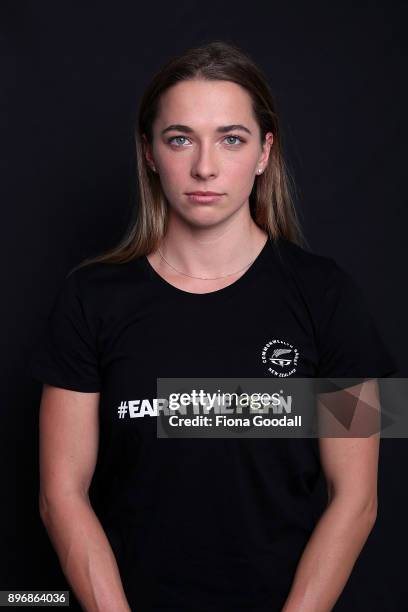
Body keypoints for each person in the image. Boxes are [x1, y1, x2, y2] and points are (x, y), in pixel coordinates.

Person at [27, 40, 397, 612]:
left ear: (264, 152)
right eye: (180, 138)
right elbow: (60, 496)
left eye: (231, 138)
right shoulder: (88, 297)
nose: (204, 165)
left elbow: (358, 500)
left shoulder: (331, 295)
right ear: (150, 152)